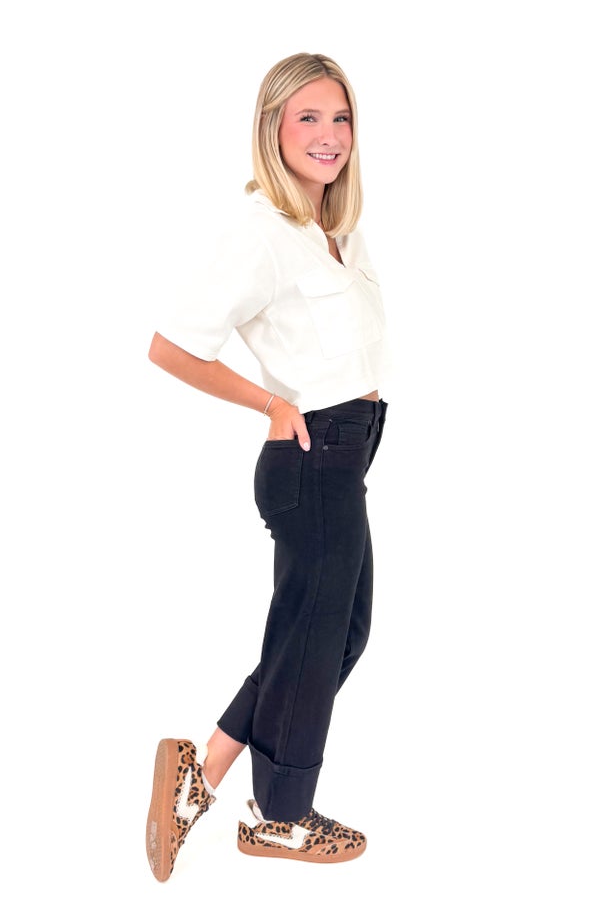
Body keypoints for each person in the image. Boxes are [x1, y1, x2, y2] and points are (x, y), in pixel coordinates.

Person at [145, 52, 391, 878]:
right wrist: (272, 405)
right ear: (272, 130)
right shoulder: (260, 232)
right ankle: (278, 816)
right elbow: (172, 347)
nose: (329, 136)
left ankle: (201, 774)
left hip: (343, 460)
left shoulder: (331, 234)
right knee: (315, 640)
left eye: (340, 118)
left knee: (334, 635)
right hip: (310, 458)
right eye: (308, 119)